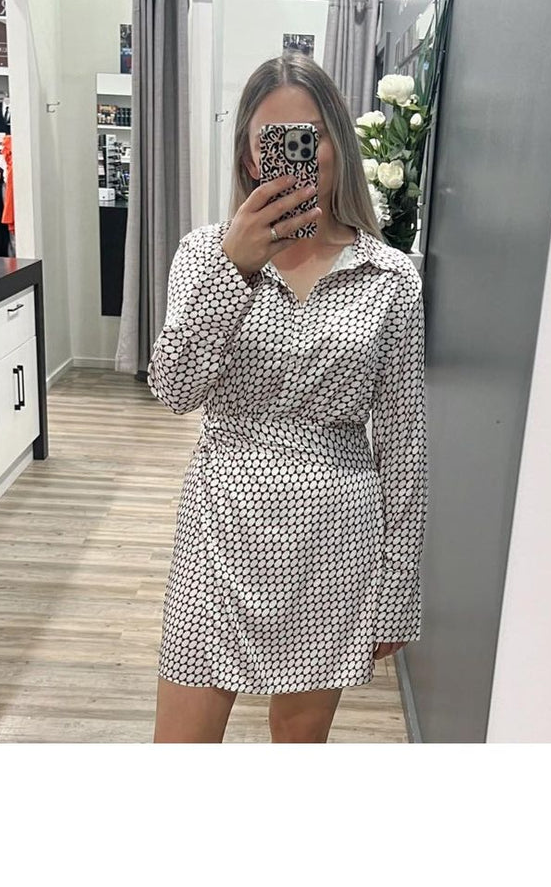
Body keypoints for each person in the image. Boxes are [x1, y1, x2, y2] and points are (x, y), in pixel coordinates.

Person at [149, 52, 428, 742]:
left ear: (336, 146)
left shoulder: (390, 277)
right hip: (220, 526)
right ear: (249, 156)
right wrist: (234, 270)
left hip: (333, 542)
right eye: (271, 140)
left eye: (309, 136)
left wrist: (397, 588)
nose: (292, 155)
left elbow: (405, 445)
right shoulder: (203, 255)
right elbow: (175, 389)